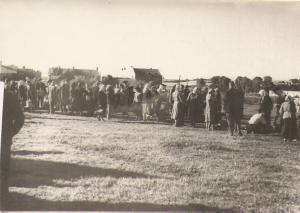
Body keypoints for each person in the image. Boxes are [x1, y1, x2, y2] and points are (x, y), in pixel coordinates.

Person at [1, 87, 24, 209]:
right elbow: (20, 119)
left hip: (4, 139)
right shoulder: (10, 96)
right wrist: (10, 133)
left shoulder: (9, 96)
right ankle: (4, 197)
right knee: (3, 170)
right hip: (4, 139)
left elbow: (20, 119)